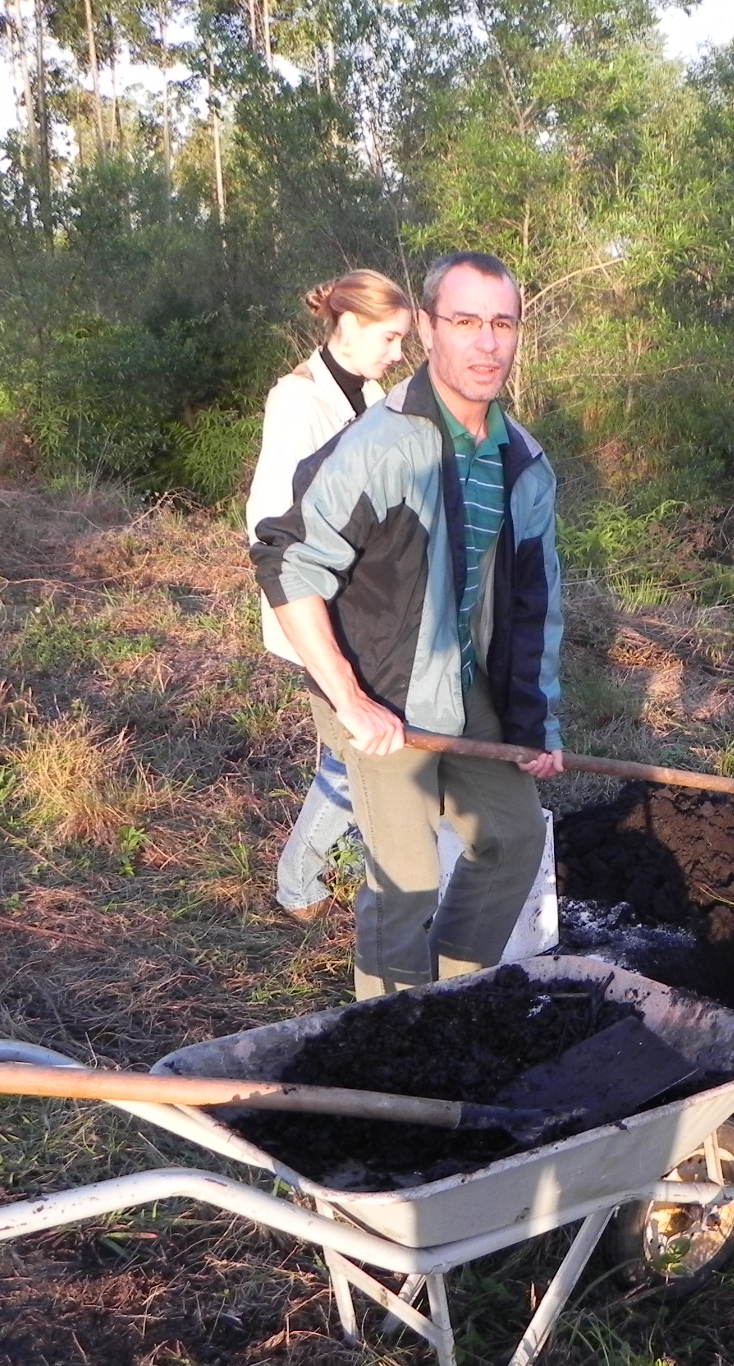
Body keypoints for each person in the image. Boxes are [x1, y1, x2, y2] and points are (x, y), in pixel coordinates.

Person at [250, 251, 563, 997]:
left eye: (502, 323)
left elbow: (537, 606)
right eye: (464, 322)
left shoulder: (523, 463)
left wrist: (537, 725)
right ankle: (382, 1036)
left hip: (464, 685)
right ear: (427, 328)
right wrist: (350, 699)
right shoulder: (380, 446)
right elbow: (288, 561)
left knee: (514, 837)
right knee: (407, 882)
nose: (485, 344)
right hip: (378, 686)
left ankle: (451, 996)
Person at [246, 269, 417, 919]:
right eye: (390, 337)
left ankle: (333, 868)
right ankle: (298, 885)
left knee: (350, 752)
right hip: (319, 610)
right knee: (351, 759)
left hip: (366, 607)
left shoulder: (370, 392)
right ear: (347, 325)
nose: (397, 354)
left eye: (402, 340)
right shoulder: (296, 400)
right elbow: (271, 521)